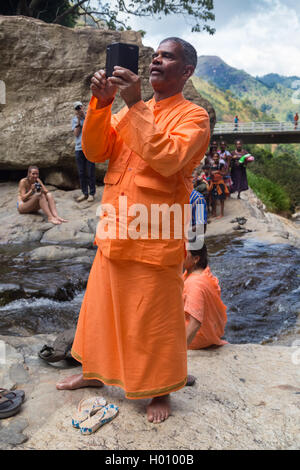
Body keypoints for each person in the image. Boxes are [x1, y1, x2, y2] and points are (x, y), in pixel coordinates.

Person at [56, 37, 210, 424]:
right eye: (155, 55)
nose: (156, 60)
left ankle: (160, 390)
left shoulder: (195, 117)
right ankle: (94, 373)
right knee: (101, 309)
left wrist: (134, 103)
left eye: (167, 57)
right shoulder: (128, 112)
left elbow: (169, 159)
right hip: (115, 226)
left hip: (156, 233)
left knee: (154, 318)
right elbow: (94, 151)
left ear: (186, 71)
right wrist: (103, 104)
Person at [183, 244, 228, 349]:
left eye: (184, 253)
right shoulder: (202, 273)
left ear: (196, 259)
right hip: (211, 331)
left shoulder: (195, 284)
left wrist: (179, 352)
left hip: (198, 337)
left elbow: (195, 324)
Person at [72, 101, 96, 203]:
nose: (79, 109)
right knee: (81, 172)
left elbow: (92, 128)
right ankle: (84, 193)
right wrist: (78, 121)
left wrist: (84, 117)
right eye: (77, 108)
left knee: (91, 171)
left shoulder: (89, 117)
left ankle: (92, 193)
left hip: (89, 148)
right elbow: (76, 134)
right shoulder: (74, 120)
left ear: (83, 107)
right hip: (79, 148)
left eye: (80, 107)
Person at [209, 152, 229, 218]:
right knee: (214, 199)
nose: (215, 158)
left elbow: (224, 173)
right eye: (214, 157)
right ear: (213, 158)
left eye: (217, 157)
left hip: (220, 183)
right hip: (213, 183)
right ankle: (214, 213)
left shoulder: (221, 165)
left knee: (221, 199)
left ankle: (221, 214)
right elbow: (210, 174)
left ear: (219, 157)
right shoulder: (211, 165)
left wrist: (218, 172)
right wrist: (211, 174)